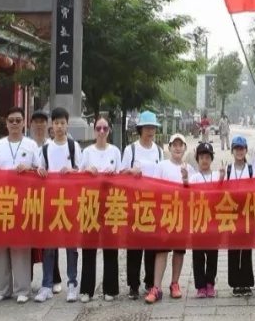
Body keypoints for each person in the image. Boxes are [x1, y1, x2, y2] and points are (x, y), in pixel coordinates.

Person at [0, 106, 40, 302]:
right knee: (1, 246)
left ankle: (22, 290)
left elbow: (40, 170)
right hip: (2, 200)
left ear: (24, 123)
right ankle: (1, 289)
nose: (15, 124)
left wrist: (29, 168)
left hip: (23, 201)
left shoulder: (31, 145)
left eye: (18, 120)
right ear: (6, 124)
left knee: (20, 245)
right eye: (11, 120)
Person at [35, 107, 80, 302]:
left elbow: (82, 171)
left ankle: (72, 283)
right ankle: (46, 284)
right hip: (51, 203)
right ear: (51, 126)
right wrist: (40, 172)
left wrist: (72, 171)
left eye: (63, 123)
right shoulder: (45, 148)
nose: (60, 127)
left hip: (70, 203)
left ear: (67, 124)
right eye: (56, 123)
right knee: (49, 246)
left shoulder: (74, 147)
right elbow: (40, 170)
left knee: (71, 245)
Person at [141, 132, 191, 303]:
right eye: (174, 145)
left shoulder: (189, 168)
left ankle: (175, 283)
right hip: (164, 214)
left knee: (179, 251)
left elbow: (192, 192)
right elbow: (155, 188)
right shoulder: (162, 166)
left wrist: (185, 179)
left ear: (185, 148)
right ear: (169, 148)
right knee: (161, 251)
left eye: (180, 145)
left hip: (181, 214)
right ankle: (156, 287)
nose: (177, 148)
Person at [121, 110, 164, 299]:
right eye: (147, 127)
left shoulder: (160, 151)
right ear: (140, 129)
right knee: (134, 245)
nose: (150, 131)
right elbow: (120, 174)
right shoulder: (130, 150)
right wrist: (130, 171)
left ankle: (149, 281)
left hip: (153, 203)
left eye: (153, 128)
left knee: (151, 244)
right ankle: (133, 284)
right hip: (134, 203)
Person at [80, 116, 121, 302]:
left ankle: (110, 289)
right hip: (91, 201)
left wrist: (114, 175)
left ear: (109, 130)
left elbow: (121, 176)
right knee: (89, 246)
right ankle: (86, 289)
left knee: (110, 246)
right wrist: (88, 172)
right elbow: (79, 176)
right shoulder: (87, 152)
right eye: (99, 128)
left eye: (105, 128)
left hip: (111, 201)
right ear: (94, 130)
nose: (102, 132)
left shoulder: (115, 151)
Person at [27, 109, 60, 291]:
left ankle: (54, 279)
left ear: (48, 125)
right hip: (30, 200)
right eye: (36, 122)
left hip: (50, 199)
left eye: (42, 122)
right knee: (31, 241)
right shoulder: (25, 145)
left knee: (50, 240)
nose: (39, 125)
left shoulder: (52, 146)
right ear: (31, 125)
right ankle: (28, 278)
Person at [225, 134, 255, 296]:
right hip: (231, 216)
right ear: (232, 151)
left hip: (248, 215)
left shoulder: (251, 169)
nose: (239, 152)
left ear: (246, 151)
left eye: (242, 148)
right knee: (233, 250)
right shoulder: (228, 169)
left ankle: (246, 282)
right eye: (236, 148)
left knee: (247, 250)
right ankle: (235, 283)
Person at [189, 142, 221, 297]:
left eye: (207, 157)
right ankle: (200, 286)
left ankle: (210, 283)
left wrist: (222, 179)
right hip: (198, 221)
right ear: (197, 159)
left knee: (213, 254)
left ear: (211, 159)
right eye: (201, 157)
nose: (204, 160)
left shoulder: (216, 176)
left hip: (213, 221)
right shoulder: (194, 177)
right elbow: (186, 195)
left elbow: (223, 194)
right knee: (198, 255)